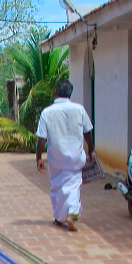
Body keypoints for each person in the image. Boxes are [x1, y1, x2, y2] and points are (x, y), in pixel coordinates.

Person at [35, 79, 95, 232]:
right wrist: (91, 150)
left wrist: (38, 158)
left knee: (57, 186)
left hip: (56, 157)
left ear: (56, 91)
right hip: (76, 156)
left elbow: (41, 138)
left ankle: (59, 217)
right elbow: (87, 132)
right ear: (70, 93)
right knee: (74, 185)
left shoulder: (47, 112)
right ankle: (72, 213)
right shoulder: (79, 109)